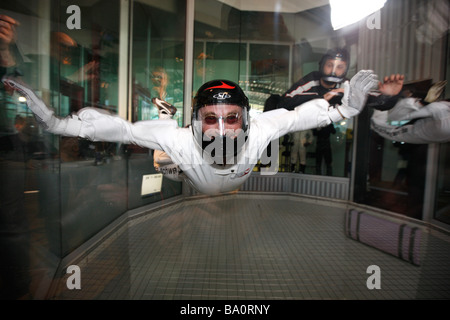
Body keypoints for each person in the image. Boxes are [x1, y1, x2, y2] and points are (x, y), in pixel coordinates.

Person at [2, 72, 378, 195]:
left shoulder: (264, 124)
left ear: (247, 119)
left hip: (227, 176)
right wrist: (59, 124)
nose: (220, 129)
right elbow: (123, 129)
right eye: (209, 118)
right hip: (189, 172)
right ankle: (169, 135)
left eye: (231, 118)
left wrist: (347, 109)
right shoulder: (178, 138)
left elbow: (299, 119)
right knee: (159, 143)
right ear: (195, 121)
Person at [278, 47, 404, 111]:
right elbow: (285, 102)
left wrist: (388, 96)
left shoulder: (346, 85)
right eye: (329, 65)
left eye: (339, 67)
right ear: (322, 65)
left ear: (345, 70)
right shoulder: (311, 80)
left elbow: (370, 99)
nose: (333, 71)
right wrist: (322, 99)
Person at [370, 81, 450, 144]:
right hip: (413, 124)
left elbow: (400, 119)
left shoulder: (441, 115)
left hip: (411, 129)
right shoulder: (440, 110)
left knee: (407, 104)